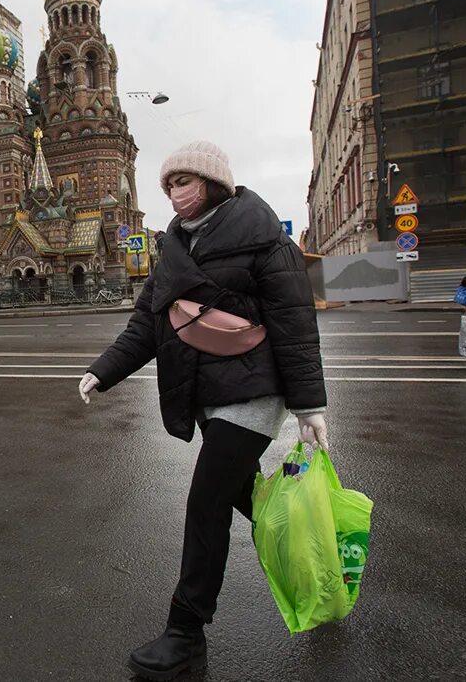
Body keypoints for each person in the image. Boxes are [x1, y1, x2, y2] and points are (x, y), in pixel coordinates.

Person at [77, 141, 328, 680]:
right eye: (168, 185)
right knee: (251, 499)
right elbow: (147, 321)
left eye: (183, 182)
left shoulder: (262, 234)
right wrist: (104, 370)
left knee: (205, 504)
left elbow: (294, 321)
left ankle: (185, 634)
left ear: (213, 183)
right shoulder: (171, 247)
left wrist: (309, 405)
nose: (173, 193)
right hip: (209, 395)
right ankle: (316, 559)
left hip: (256, 393)